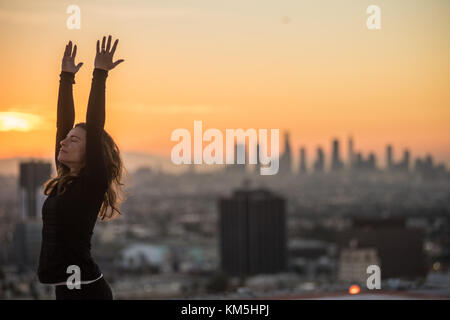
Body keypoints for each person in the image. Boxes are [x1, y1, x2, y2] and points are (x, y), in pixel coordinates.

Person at [37, 35, 126, 300]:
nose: (63, 142)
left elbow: (95, 125)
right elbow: (62, 125)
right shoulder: (65, 180)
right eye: (65, 139)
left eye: (74, 140)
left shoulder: (92, 183)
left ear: (92, 153)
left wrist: (99, 74)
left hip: (87, 291)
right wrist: (65, 77)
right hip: (67, 290)